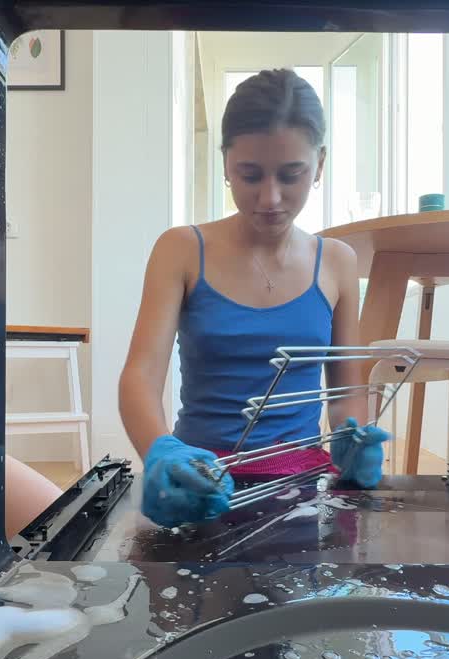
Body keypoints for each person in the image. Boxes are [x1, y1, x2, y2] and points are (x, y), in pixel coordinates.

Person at [119, 68, 389, 528]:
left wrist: (351, 440)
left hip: (301, 487)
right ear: (226, 163)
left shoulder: (338, 262)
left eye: (291, 175)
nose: (271, 197)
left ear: (319, 164)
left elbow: (346, 391)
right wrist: (160, 450)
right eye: (250, 175)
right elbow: (140, 377)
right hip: (200, 479)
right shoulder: (181, 249)